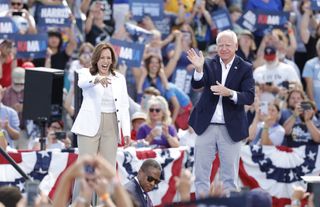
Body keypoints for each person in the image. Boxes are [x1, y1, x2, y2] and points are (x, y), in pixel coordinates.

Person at [186, 30, 255, 197]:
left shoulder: (245, 67)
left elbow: (249, 97)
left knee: (230, 177)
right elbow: (197, 85)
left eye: (228, 45)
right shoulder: (208, 63)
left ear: (236, 47)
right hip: (206, 125)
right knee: (201, 175)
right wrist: (198, 69)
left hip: (231, 127)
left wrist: (229, 93)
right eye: (220, 45)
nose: (224, 48)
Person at [71, 42, 131, 168]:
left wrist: (126, 132)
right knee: (85, 169)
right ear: (96, 59)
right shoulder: (86, 73)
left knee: (108, 170)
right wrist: (97, 79)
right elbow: (81, 83)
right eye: (102, 57)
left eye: (108, 58)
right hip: (89, 124)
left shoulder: (119, 78)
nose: (105, 61)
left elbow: (124, 106)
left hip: (112, 124)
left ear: (112, 60)